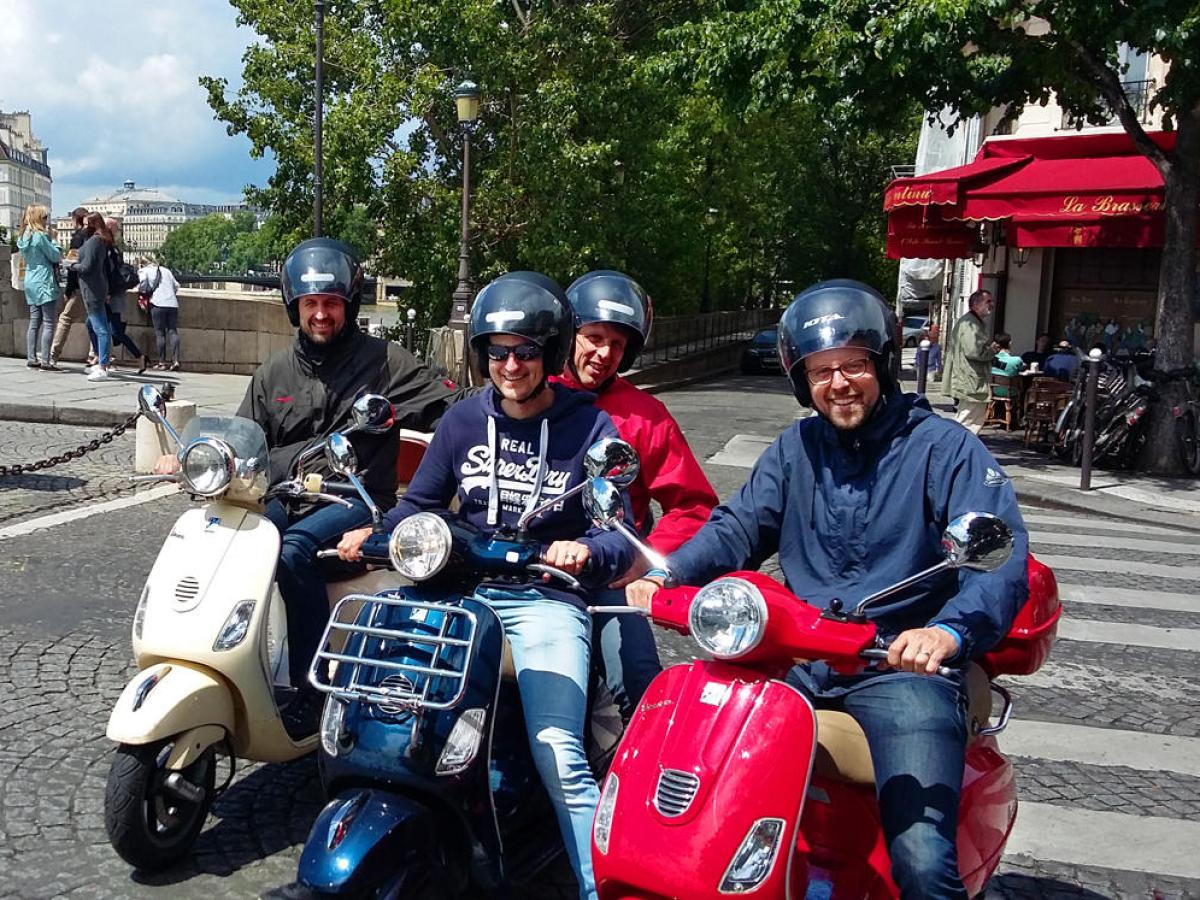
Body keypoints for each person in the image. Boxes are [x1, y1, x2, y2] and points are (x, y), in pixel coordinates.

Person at [627, 279, 1029, 900]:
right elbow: (739, 525)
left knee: (922, 857)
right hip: (801, 659)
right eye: (821, 372)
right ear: (802, 381)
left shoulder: (945, 448)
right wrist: (667, 575)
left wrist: (945, 632)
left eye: (854, 365)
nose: (839, 383)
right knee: (701, 792)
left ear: (881, 363)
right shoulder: (796, 449)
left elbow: (999, 558)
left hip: (900, 669)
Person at [339, 271, 632, 900]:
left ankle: (593, 884)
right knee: (381, 692)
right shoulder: (464, 419)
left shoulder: (591, 429)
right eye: (498, 351)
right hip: (459, 587)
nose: (511, 365)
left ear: (550, 356)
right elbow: (417, 502)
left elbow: (620, 532)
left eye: (526, 351)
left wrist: (583, 548)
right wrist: (373, 535)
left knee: (558, 749)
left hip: (545, 599)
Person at [156, 237, 464, 735]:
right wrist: (193, 455)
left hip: (356, 499)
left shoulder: (387, 362)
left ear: (349, 305)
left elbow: (453, 406)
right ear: (294, 307)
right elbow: (244, 440)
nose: (321, 314)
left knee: (293, 551)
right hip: (288, 494)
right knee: (229, 538)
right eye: (311, 304)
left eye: (331, 304)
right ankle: (230, 654)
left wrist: (513, 405)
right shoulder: (274, 371)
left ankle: (309, 684)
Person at [553, 269, 718, 716]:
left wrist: (647, 560)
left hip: (607, 576)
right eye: (594, 337)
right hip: (532, 569)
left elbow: (694, 504)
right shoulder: (531, 395)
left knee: (643, 689)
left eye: (618, 344)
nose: (604, 353)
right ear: (568, 334)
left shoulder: (646, 415)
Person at [86, 217, 149, 374]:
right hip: (112, 293)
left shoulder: (109, 247)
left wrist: (107, 291)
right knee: (97, 325)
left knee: (112, 330)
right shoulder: (112, 247)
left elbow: (108, 272)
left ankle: (106, 359)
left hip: (112, 294)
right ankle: (105, 357)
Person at [942, 289, 996, 434]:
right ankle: (955, 446)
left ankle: (958, 446)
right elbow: (973, 351)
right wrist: (992, 351)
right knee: (968, 419)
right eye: (988, 301)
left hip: (970, 378)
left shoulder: (972, 322)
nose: (991, 304)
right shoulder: (970, 324)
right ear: (976, 304)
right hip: (970, 379)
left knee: (970, 417)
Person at [15, 205, 62, 369]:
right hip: (44, 280)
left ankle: (31, 357)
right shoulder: (40, 236)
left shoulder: (23, 237)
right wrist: (55, 240)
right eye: (45, 218)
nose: (47, 221)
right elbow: (55, 256)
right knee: (49, 322)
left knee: (34, 321)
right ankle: (46, 360)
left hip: (30, 279)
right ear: (39, 219)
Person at [48, 207, 91, 369]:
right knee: (97, 322)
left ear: (76, 220)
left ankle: (53, 354)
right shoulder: (97, 237)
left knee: (65, 319)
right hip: (97, 287)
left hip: (80, 286)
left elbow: (73, 265)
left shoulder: (78, 237)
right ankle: (97, 356)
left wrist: (68, 290)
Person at [73, 213, 114, 381]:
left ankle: (103, 365)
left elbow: (87, 266)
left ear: (90, 225)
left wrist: (72, 265)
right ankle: (100, 360)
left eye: (84, 224)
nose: (82, 228)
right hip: (98, 288)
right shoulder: (101, 240)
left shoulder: (93, 242)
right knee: (91, 324)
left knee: (101, 329)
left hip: (92, 290)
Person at [137, 257, 182, 369]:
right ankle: (175, 360)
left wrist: (142, 291)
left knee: (160, 333)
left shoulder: (144, 270)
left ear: (142, 264)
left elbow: (142, 284)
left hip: (157, 303)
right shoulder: (166, 270)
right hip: (172, 304)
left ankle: (162, 362)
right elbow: (176, 285)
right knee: (173, 331)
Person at [989, 332, 1022, 400]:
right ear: (1010, 343)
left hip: (993, 390)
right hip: (1010, 392)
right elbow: (1022, 368)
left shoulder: (991, 359)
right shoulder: (1016, 360)